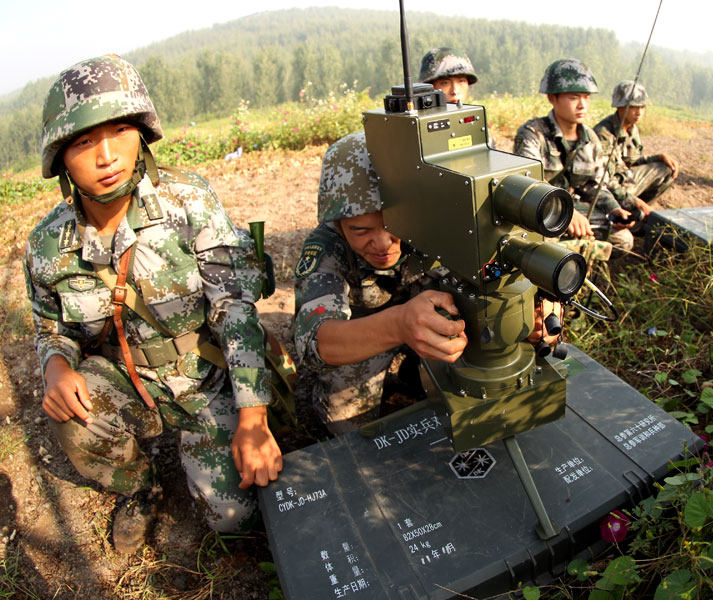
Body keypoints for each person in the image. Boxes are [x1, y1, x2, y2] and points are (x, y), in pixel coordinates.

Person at [25, 55, 281, 555]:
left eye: (120, 131)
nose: (106, 157)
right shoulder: (47, 245)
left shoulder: (189, 202)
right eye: (84, 141)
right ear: (61, 158)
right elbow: (50, 327)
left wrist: (253, 417)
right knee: (68, 412)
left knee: (233, 518)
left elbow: (233, 307)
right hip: (125, 379)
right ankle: (140, 488)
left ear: (141, 134)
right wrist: (56, 367)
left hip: (203, 377)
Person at [293, 132, 561, 434]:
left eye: (395, 224)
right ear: (337, 223)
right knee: (347, 424)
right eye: (359, 229)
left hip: (446, 318)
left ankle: (414, 372)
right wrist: (399, 326)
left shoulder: (447, 220)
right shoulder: (328, 247)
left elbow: (510, 257)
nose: (383, 243)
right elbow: (315, 342)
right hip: (367, 334)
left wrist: (536, 306)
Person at [513, 58, 622, 257]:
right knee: (532, 246)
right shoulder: (532, 133)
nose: (582, 105)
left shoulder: (591, 139)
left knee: (623, 239)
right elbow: (527, 184)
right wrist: (566, 213)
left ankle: (572, 253)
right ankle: (562, 256)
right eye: (574, 97)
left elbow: (595, 185)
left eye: (586, 97)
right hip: (541, 210)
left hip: (576, 210)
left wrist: (615, 209)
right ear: (552, 99)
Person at [593, 81, 678, 230]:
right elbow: (605, 182)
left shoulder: (631, 128)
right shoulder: (604, 135)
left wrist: (658, 157)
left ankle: (638, 216)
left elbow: (632, 161)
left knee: (665, 168)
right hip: (609, 189)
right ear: (620, 106)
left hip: (626, 180)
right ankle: (631, 215)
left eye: (642, 107)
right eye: (633, 107)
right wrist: (636, 202)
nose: (639, 112)